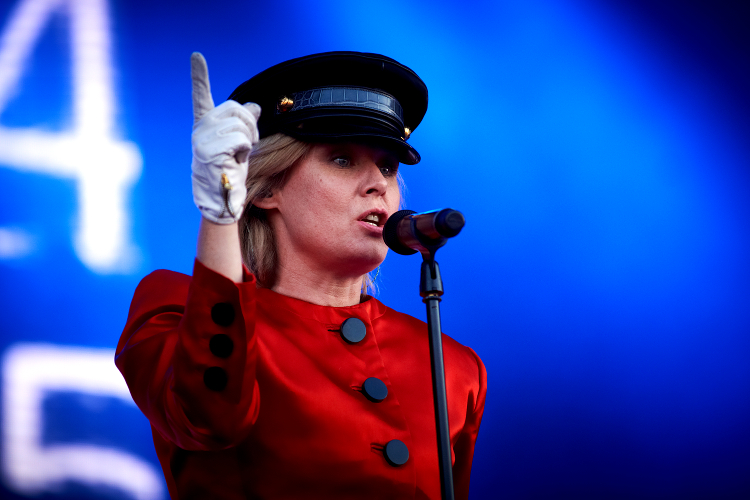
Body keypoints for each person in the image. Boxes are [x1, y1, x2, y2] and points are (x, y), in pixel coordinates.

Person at [116, 51, 486, 499]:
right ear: (267, 187)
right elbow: (208, 419)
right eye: (342, 159)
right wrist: (221, 211)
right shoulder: (178, 310)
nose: (378, 183)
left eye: (388, 166)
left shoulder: (453, 366)